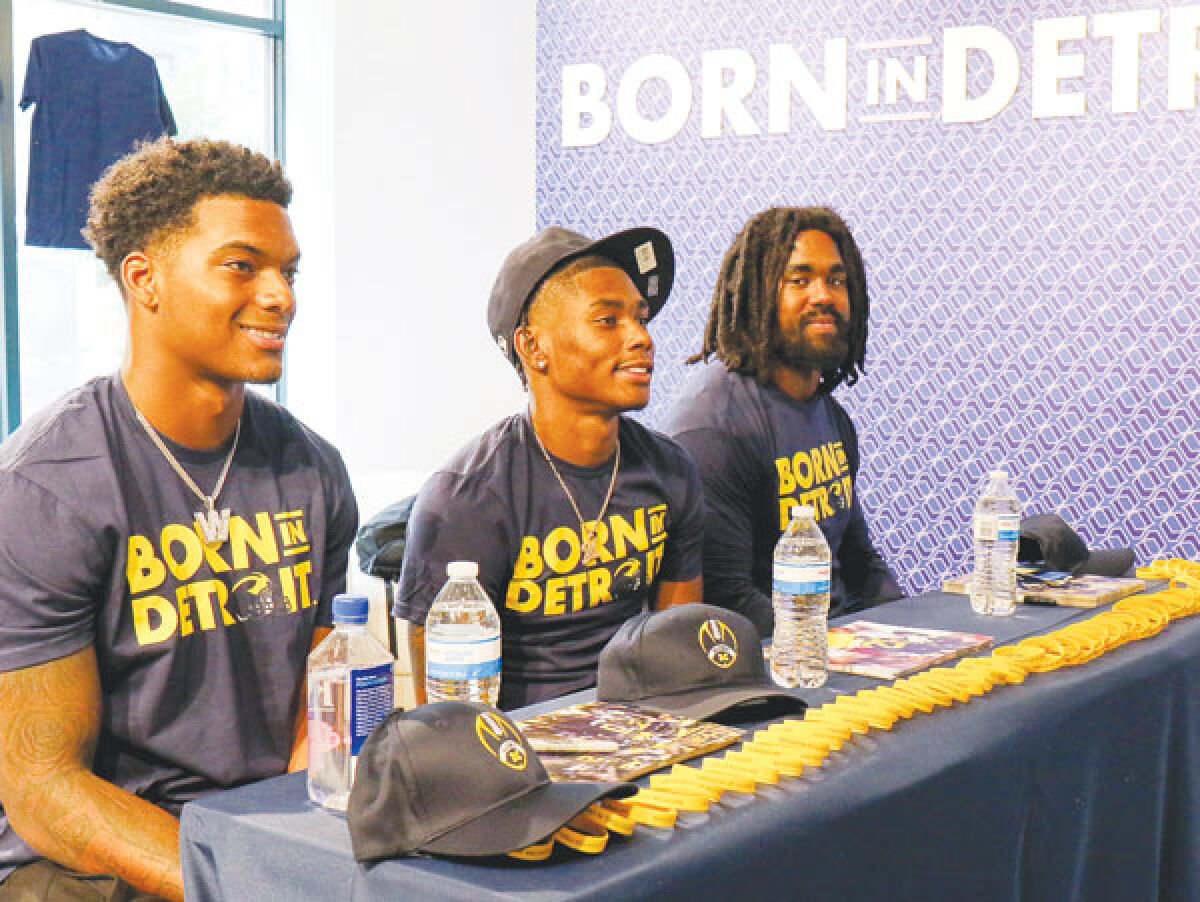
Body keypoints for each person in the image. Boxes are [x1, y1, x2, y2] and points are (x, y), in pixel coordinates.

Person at [0, 138, 358, 901]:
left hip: (257, 832)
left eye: (287, 272)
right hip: (95, 859)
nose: (281, 296)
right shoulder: (44, 487)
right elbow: (43, 786)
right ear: (145, 278)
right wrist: (239, 882)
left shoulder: (312, 469)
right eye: (242, 266)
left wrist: (306, 846)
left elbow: (319, 702)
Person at [393, 226, 704, 710]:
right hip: (521, 751)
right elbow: (445, 716)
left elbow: (679, 657)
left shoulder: (671, 471)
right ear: (534, 346)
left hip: (644, 731)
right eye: (608, 320)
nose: (641, 337)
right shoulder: (466, 498)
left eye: (640, 319)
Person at [666, 206, 901, 636]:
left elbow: (859, 562)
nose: (823, 295)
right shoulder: (714, 427)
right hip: (777, 665)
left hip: (839, 645)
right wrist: (836, 650)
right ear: (758, 291)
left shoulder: (830, 416)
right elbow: (727, 599)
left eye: (836, 279)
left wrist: (912, 635)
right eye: (800, 279)